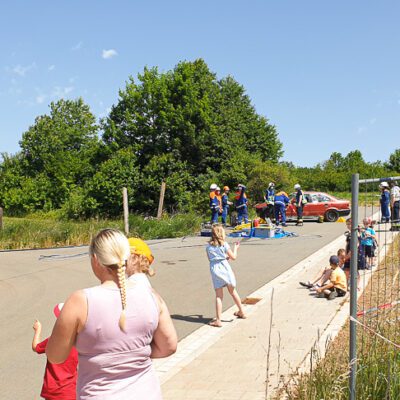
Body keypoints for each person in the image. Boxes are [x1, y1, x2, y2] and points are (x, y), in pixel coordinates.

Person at [46, 228, 177, 400]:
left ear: (95, 259)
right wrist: (133, 355)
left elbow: (55, 356)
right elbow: (169, 346)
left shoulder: (80, 301)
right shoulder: (152, 296)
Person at [32, 303, 78, 400]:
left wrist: (38, 330)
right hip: (71, 391)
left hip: (52, 391)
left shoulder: (53, 339)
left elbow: (36, 347)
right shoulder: (80, 342)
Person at [206, 224, 246, 327]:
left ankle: (218, 320)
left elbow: (211, 259)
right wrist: (236, 248)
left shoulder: (208, 247)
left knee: (219, 296)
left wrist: (222, 258)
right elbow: (233, 257)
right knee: (233, 292)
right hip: (225, 269)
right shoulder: (225, 244)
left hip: (216, 271)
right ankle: (241, 311)